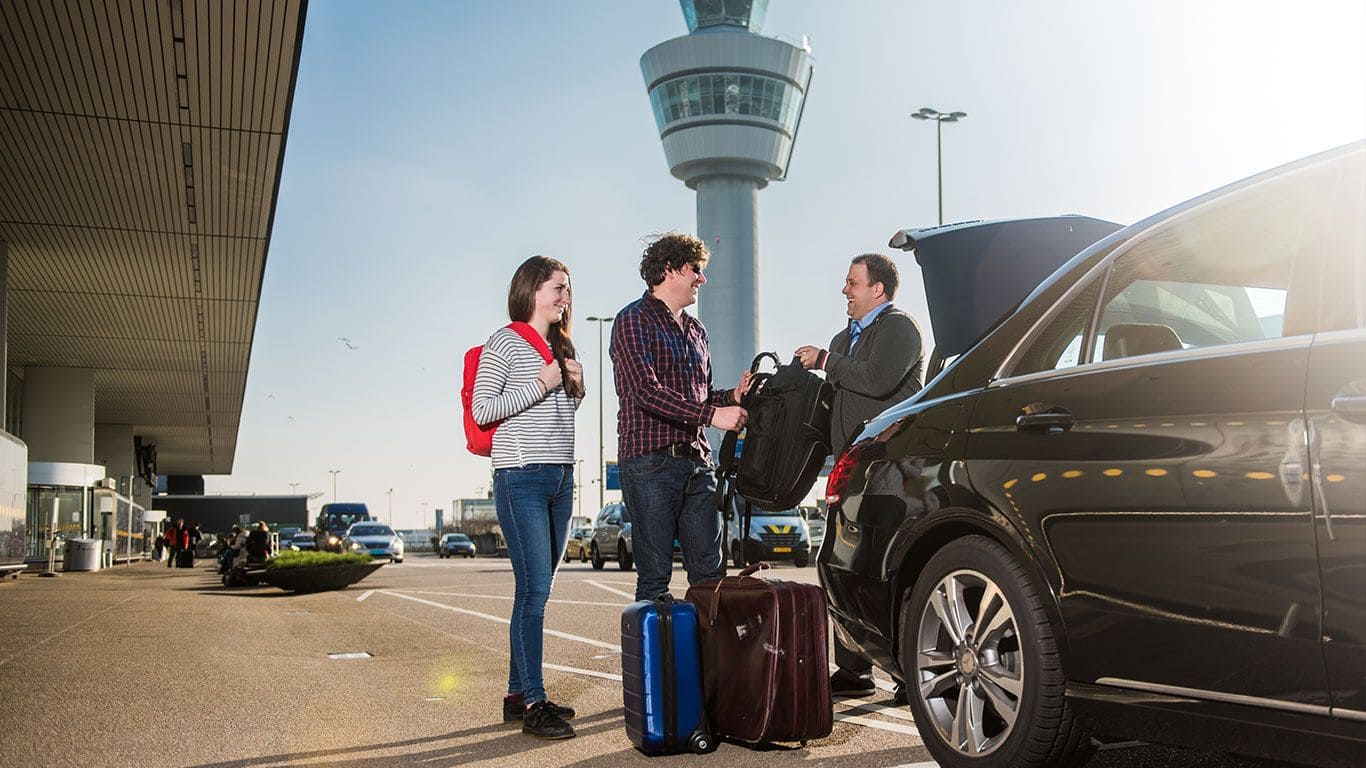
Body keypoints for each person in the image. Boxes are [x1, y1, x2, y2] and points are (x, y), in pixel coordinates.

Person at [795, 252, 924, 701]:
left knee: (889, 569)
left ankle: (911, 674)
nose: (845, 290)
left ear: (878, 290)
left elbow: (878, 380)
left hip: (890, 471)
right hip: (849, 472)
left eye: (853, 282)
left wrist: (827, 359)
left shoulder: (899, 328)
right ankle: (852, 670)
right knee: (844, 566)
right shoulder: (841, 337)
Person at [470, 255, 585, 740]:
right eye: (557, 288)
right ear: (532, 289)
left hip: (560, 479)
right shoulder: (505, 341)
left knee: (535, 590)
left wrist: (575, 389)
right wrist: (544, 382)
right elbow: (483, 410)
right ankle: (536, 703)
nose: (564, 297)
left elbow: (560, 415)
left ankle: (519, 695)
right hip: (521, 478)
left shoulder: (561, 346)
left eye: (567, 289)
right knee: (534, 591)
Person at [611, 232, 751, 603]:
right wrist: (712, 414)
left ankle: (707, 663)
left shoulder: (696, 330)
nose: (702, 279)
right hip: (650, 464)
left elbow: (701, 396)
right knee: (655, 580)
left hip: (697, 465)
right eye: (696, 269)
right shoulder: (632, 320)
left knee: (710, 577)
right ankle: (660, 663)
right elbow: (646, 391)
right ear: (670, 269)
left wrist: (732, 397)